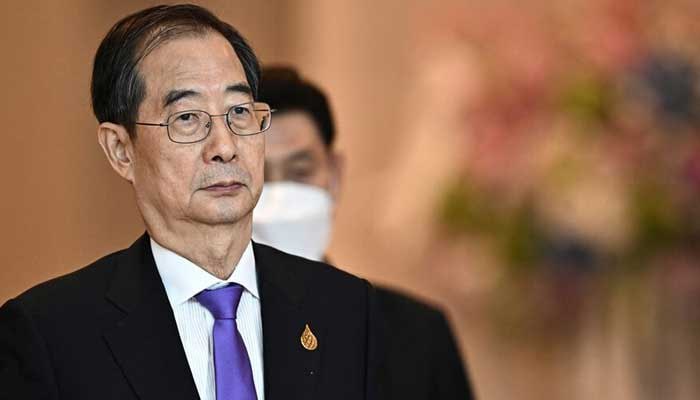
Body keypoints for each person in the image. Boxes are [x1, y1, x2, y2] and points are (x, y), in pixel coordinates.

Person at [0, 6, 380, 400]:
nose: (225, 147)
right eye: (187, 118)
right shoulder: (49, 335)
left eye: (239, 112)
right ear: (120, 149)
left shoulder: (346, 308)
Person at [253, 67, 475, 400]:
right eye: (259, 176)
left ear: (335, 175)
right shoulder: (197, 334)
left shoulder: (416, 336)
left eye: (300, 171)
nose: (281, 197)